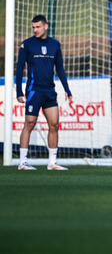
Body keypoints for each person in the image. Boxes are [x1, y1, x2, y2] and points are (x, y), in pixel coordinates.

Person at [15, 15, 73, 171]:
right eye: (33, 27)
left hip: (49, 91)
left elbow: (60, 68)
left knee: (54, 125)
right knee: (29, 124)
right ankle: (23, 162)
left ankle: (52, 162)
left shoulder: (55, 44)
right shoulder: (27, 44)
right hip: (34, 91)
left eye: (38, 27)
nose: (35, 30)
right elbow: (19, 68)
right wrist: (19, 92)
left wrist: (67, 89)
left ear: (46, 26)